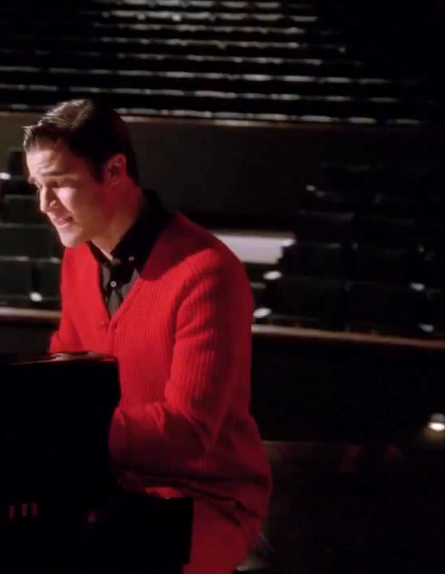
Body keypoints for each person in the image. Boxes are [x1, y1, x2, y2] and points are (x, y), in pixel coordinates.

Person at [24, 99, 270, 574]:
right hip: (112, 485)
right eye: (38, 186)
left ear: (115, 170)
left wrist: (58, 430)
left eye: (59, 184)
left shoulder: (206, 272)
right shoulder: (78, 257)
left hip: (205, 499)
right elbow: (66, 380)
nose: (44, 204)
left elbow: (188, 433)